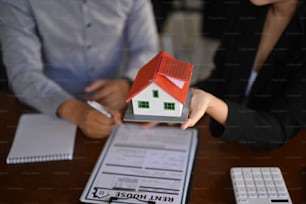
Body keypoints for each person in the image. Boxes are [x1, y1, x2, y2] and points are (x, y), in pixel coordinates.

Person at [0, 0, 159, 139]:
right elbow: (23, 71)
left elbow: (146, 49)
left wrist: (128, 84)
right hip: (47, 105)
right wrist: (75, 110)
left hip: (117, 103)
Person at [182, 0, 306, 148]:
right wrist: (180, 99)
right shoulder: (246, 10)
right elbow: (220, 81)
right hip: (233, 149)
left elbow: (278, 129)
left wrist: (211, 104)